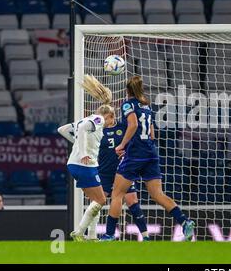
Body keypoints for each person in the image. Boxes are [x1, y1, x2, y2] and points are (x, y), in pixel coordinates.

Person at [100, 75, 195, 241]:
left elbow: (134, 125)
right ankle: (184, 221)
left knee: (117, 194)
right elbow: (151, 133)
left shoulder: (128, 104)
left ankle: (108, 234)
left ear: (127, 91)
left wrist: (122, 145)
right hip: (151, 153)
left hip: (135, 155)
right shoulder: (146, 105)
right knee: (158, 194)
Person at [58, 75, 113, 241]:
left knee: (96, 200)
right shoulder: (98, 119)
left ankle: (92, 235)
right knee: (101, 199)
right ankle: (79, 232)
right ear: (108, 115)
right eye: (113, 117)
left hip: (78, 165)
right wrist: (82, 152)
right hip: (84, 165)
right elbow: (81, 128)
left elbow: (63, 129)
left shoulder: (89, 119)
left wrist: (77, 143)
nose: (113, 121)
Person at [86, 113, 150, 241]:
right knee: (97, 203)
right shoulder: (97, 131)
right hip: (104, 173)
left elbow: (135, 137)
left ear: (111, 116)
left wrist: (128, 151)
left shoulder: (123, 127)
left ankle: (145, 237)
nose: (102, 121)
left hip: (122, 171)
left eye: (104, 118)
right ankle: (88, 234)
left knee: (132, 202)